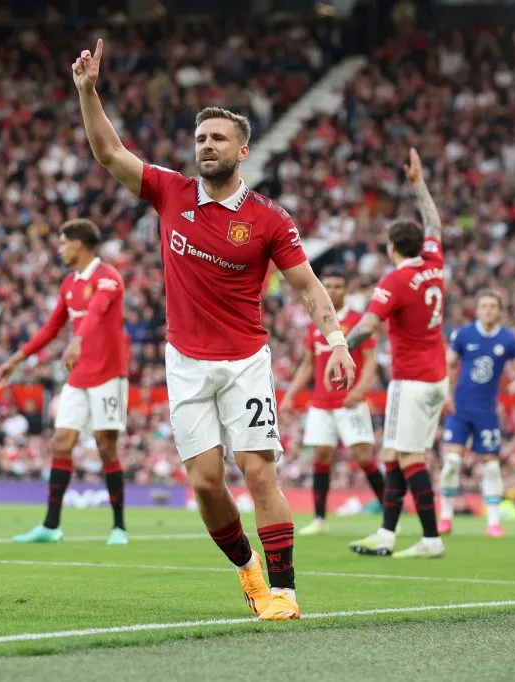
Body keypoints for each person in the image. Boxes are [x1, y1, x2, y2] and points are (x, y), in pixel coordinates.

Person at [72, 40, 355, 621]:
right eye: (201, 138)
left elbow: (308, 288)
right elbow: (108, 153)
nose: (206, 146)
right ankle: (249, 573)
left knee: (258, 471)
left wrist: (338, 342)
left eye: (218, 138)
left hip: (246, 361)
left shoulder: (269, 219)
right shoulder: (170, 191)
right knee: (205, 484)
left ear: (242, 151)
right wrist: (87, 92)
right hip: (185, 362)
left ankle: (285, 592)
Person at [0, 219, 130, 546]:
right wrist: (16, 360)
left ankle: (119, 527)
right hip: (79, 376)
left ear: (78, 244)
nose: (60, 249)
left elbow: (96, 312)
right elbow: (51, 328)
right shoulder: (69, 284)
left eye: (62, 243)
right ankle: (51, 526)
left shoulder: (108, 277)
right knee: (61, 442)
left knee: (105, 446)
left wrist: (78, 340)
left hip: (109, 375)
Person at [345, 149, 448, 559]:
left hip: (413, 379)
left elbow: (369, 325)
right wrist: (419, 185)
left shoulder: (396, 279)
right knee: (394, 453)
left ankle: (430, 539)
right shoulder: (434, 263)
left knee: (408, 458)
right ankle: (387, 533)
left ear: (391, 247)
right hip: (437, 378)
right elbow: (436, 224)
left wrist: (340, 346)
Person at [280, 268, 382, 535]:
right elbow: (308, 365)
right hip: (321, 403)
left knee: (362, 457)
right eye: (329, 286)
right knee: (321, 456)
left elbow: (371, 361)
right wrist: (291, 394)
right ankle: (320, 519)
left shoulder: (359, 321)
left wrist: (359, 390)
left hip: (350, 401)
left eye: (338, 285)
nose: (333, 290)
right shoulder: (316, 324)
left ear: (346, 290)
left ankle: (390, 513)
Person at [438, 290, 515, 538]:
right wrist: (445, 392)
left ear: (500, 310)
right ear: (477, 310)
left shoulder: (508, 339)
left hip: (486, 411)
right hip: (460, 408)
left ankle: (493, 522)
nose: (488, 310)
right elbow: (447, 365)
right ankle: (445, 517)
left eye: (493, 306)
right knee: (452, 462)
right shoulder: (464, 334)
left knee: (491, 468)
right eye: (484, 306)